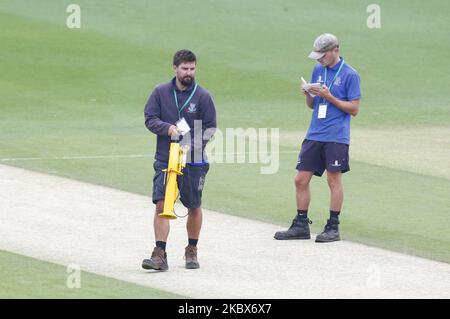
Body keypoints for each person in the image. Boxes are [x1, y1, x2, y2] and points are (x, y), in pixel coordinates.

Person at [274, 33, 361, 242]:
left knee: (333, 180)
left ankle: (333, 226)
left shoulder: (350, 74)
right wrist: (308, 94)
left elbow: (354, 109)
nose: (319, 59)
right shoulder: (318, 69)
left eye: (322, 55)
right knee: (300, 179)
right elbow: (313, 105)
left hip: (336, 136)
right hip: (315, 132)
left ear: (335, 51)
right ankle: (301, 224)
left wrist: (330, 97)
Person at [142, 49, 216, 270]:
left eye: (192, 69)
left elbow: (210, 128)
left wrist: (191, 145)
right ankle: (159, 254)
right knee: (162, 205)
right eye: (184, 68)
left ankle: (191, 249)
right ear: (174, 68)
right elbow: (150, 118)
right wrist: (168, 129)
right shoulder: (160, 92)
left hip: (193, 160)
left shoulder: (203, 96)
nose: (189, 73)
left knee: (194, 206)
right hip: (165, 158)